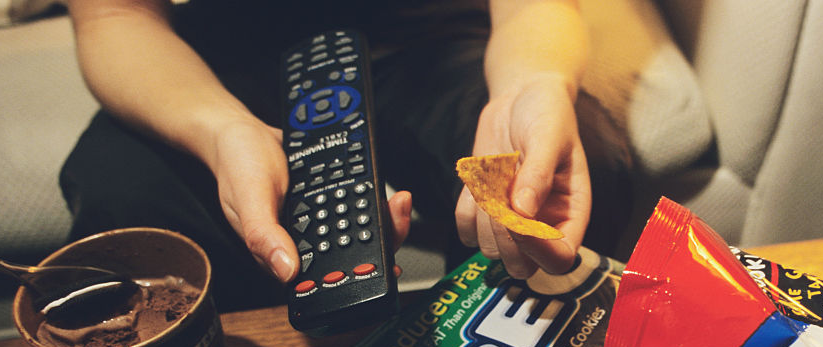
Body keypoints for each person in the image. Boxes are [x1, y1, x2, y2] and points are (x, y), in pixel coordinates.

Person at [61, 0, 631, 312]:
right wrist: (219, 130)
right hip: (222, 56)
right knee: (125, 201)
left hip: (434, 32)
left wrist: (529, 83)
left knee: (569, 165)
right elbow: (114, 15)